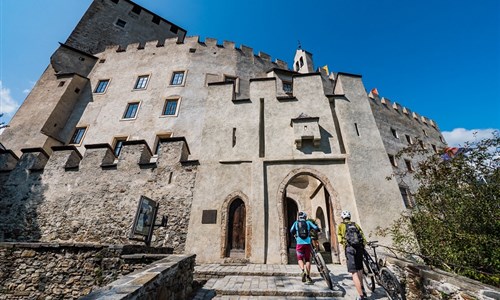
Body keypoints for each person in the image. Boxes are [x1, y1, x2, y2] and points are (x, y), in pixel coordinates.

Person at [337, 210, 367, 300]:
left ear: (342, 217)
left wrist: (345, 244)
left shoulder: (341, 226)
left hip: (350, 249)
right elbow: (363, 237)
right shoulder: (355, 225)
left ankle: (361, 296)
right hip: (359, 248)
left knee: (354, 272)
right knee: (360, 269)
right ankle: (363, 288)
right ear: (350, 217)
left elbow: (340, 240)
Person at [290, 211, 318, 284]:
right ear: (305, 217)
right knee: (308, 260)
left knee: (300, 259)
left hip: (299, 243)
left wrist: (295, 235)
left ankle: (303, 271)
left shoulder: (296, 223)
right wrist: (316, 230)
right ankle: (308, 276)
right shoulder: (308, 222)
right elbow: (316, 227)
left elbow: (291, 230)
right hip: (307, 243)